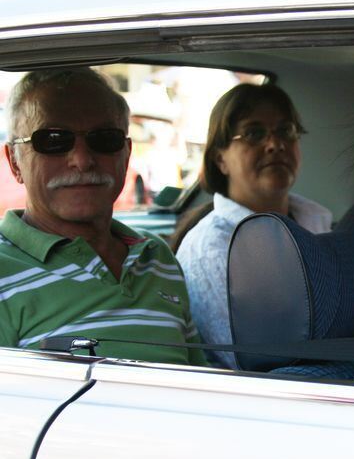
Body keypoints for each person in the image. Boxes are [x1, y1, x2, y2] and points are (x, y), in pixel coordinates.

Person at [0, 67, 204, 365]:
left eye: (104, 139)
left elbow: (201, 377)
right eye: (54, 140)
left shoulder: (156, 256)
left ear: (126, 153)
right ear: (15, 162)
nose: (82, 160)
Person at [174, 83, 332, 368]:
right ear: (220, 158)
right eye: (254, 134)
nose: (275, 144)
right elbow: (241, 359)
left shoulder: (316, 222)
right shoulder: (210, 247)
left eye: (286, 131)